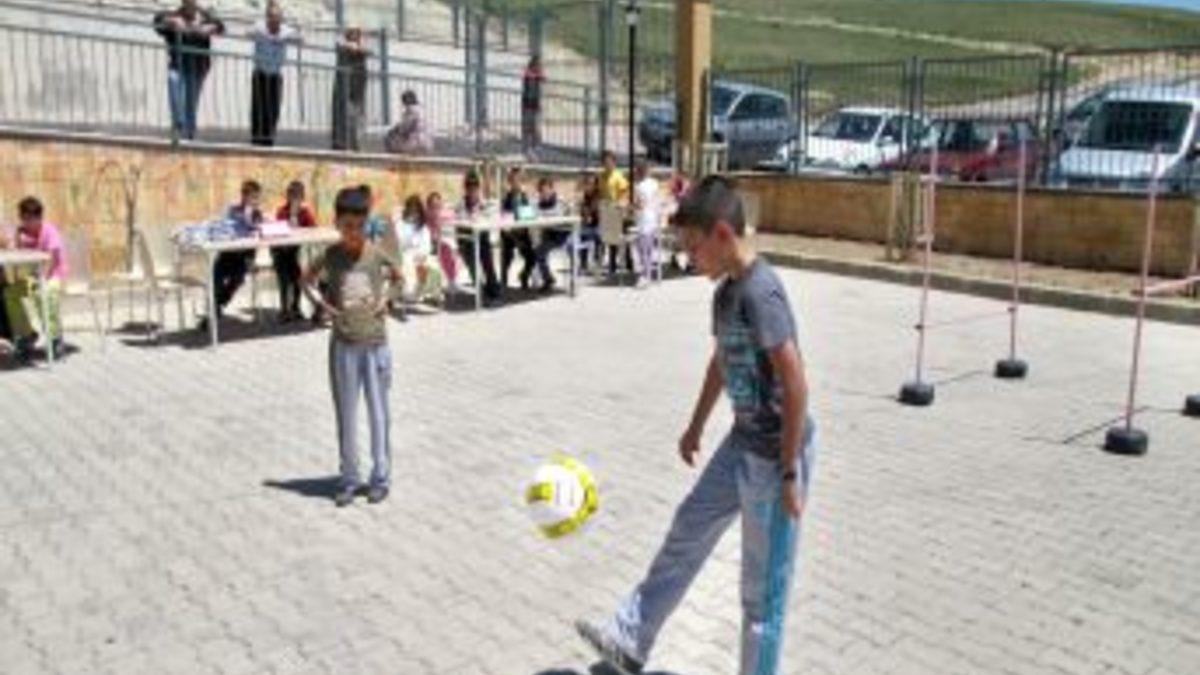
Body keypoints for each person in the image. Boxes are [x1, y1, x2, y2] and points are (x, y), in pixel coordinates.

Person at [575, 175, 818, 675]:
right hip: (741, 444)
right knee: (687, 530)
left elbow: (796, 384)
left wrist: (790, 471)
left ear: (723, 234)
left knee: (761, 594)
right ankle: (629, 639)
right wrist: (695, 427)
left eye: (693, 247)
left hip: (777, 457)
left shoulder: (762, 292)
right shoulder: (725, 295)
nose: (689, 258)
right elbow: (721, 362)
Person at [301, 187, 403, 507]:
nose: (353, 233)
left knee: (378, 413)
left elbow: (399, 278)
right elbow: (305, 279)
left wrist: (386, 301)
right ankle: (349, 477)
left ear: (366, 223)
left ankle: (380, 477)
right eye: (347, 226)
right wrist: (323, 306)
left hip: (375, 344)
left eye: (359, 226)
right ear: (337, 223)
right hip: (343, 345)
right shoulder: (331, 256)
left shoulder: (376, 253)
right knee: (346, 413)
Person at [2, 197, 69, 363]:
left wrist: (42, 281)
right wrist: (16, 237)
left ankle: (55, 338)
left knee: (44, 294)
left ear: (38, 217)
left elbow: (51, 260)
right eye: (23, 218)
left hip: (54, 275)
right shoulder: (23, 233)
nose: (25, 222)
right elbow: (16, 253)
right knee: (10, 293)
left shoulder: (49, 231)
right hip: (33, 277)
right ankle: (26, 335)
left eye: (29, 219)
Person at [153, 0, 225, 141]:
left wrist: (211, 27)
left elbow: (221, 27)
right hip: (177, 65)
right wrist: (170, 21)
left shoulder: (204, 18)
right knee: (175, 93)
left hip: (197, 68)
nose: (190, 6)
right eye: (187, 3)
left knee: (191, 103)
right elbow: (157, 22)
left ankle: (189, 134)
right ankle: (178, 128)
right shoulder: (175, 16)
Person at [200, 180, 263, 332]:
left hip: (244, 257)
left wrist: (254, 220)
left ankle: (216, 308)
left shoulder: (257, 213)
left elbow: (258, 232)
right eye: (252, 196)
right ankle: (214, 311)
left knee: (237, 278)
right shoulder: (233, 210)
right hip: (227, 253)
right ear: (244, 196)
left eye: (257, 197)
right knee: (216, 275)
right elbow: (226, 226)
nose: (255, 200)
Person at [248, 2, 302, 147]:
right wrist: (265, 35)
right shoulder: (260, 27)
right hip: (260, 73)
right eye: (272, 17)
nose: (275, 20)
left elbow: (301, 39)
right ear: (267, 17)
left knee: (273, 108)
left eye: (277, 17)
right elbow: (248, 33)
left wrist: (283, 37)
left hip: (275, 75)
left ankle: (269, 138)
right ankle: (256, 138)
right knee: (258, 107)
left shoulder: (285, 30)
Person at [272, 180, 317, 322]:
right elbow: (278, 229)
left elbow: (314, 228)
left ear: (302, 197)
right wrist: (291, 216)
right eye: (292, 195)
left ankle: (295, 307)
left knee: (297, 274)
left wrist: (302, 221)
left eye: (298, 196)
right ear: (288, 196)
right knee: (284, 274)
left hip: (295, 252)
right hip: (281, 251)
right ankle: (284, 309)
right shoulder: (282, 211)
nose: (295, 199)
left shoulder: (305, 212)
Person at [456, 170, 500, 304]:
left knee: (487, 260)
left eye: (475, 187)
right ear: (466, 189)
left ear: (478, 189)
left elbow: (491, 217)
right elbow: (459, 220)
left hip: (481, 238)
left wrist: (482, 213)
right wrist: (469, 217)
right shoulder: (461, 204)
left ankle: (494, 292)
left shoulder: (484, 203)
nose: (472, 191)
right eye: (469, 187)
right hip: (466, 240)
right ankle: (480, 292)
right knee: (472, 263)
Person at [394, 195, 444, 304]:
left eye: (416, 210)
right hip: (406, 254)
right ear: (407, 210)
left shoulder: (423, 227)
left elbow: (427, 245)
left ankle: (430, 292)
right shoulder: (400, 225)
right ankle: (411, 293)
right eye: (411, 209)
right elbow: (398, 243)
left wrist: (422, 254)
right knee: (409, 264)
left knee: (433, 264)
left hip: (421, 255)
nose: (414, 213)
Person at [331, 28, 369, 151]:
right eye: (352, 33)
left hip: (357, 88)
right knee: (344, 115)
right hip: (344, 87)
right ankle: (342, 143)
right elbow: (341, 45)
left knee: (356, 116)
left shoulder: (361, 48)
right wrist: (352, 46)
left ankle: (355, 144)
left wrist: (358, 47)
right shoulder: (342, 45)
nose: (355, 36)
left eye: (357, 34)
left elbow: (367, 51)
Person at [499, 167, 537, 291]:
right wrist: (512, 232)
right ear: (510, 182)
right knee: (506, 256)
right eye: (514, 180)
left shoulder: (525, 197)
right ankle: (503, 282)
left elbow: (528, 217)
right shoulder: (506, 198)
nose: (517, 183)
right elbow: (504, 219)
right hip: (509, 233)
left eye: (520, 180)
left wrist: (525, 224)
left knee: (532, 257)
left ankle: (523, 276)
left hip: (522, 232)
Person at [599, 150, 634, 276]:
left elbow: (625, 191)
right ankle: (612, 265)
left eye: (609, 161)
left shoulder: (618, 176)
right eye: (604, 161)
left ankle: (629, 263)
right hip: (607, 211)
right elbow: (601, 192)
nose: (607, 164)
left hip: (618, 210)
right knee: (610, 238)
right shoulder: (602, 176)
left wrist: (621, 203)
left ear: (614, 162)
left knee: (622, 238)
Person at [531, 176, 567, 293]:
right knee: (535, 248)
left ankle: (547, 279)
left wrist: (544, 216)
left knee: (539, 251)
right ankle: (546, 277)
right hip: (548, 234)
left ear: (552, 189)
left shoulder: (559, 201)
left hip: (560, 235)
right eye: (541, 191)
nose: (544, 193)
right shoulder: (539, 203)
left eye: (546, 189)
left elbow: (560, 216)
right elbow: (534, 213)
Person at [631, 160, 662, 288]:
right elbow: (657, 201)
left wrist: (632, 207)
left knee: (642, 248)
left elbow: (640, 204)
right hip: (653, 219)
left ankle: (645, 276)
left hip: (643, 219)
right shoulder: (655, 184)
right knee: (649, 248)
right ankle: (648, 274)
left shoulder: (638, 187)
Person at [426, 192, 459, 293]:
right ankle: (450, 280)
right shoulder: (427, 216)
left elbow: (455, 220)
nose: (435, 209)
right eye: (433, 206)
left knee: (448, 250)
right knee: (445, 250)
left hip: (446, 241)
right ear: (429, 207)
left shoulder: (446, 214)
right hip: (432, 242)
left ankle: (452, 280)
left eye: (438, 205)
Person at [385, 90, 434, 155]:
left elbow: (405, 128)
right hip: (428, 142)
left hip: (416, 143)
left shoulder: (411, 111)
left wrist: (395, 130)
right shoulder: (421, 109)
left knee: (389, 139)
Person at [577, 173, 603, 273]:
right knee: (582, 235)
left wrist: (586, 212)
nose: (588, 186)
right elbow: (582, 212)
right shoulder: (585, 196)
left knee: (598, 237)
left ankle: (597, 262)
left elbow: (592, 211)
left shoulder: (598, 197)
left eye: (591, 184)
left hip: (598, 225)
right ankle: (583, 264)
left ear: (595, 185)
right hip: (588, 225)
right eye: (587, 183)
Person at [521, 56, 545, 159]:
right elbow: (527, 77)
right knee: (527, 127)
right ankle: (527, 147)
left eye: (539, 65)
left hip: (535, 105)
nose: (538, 67)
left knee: (536, 127)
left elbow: (543, 78)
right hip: (527, 104)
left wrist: (539, 74)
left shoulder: (538, 75)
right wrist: (535, 75)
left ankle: (536, 146)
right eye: (537, 65)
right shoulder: (528, 75)